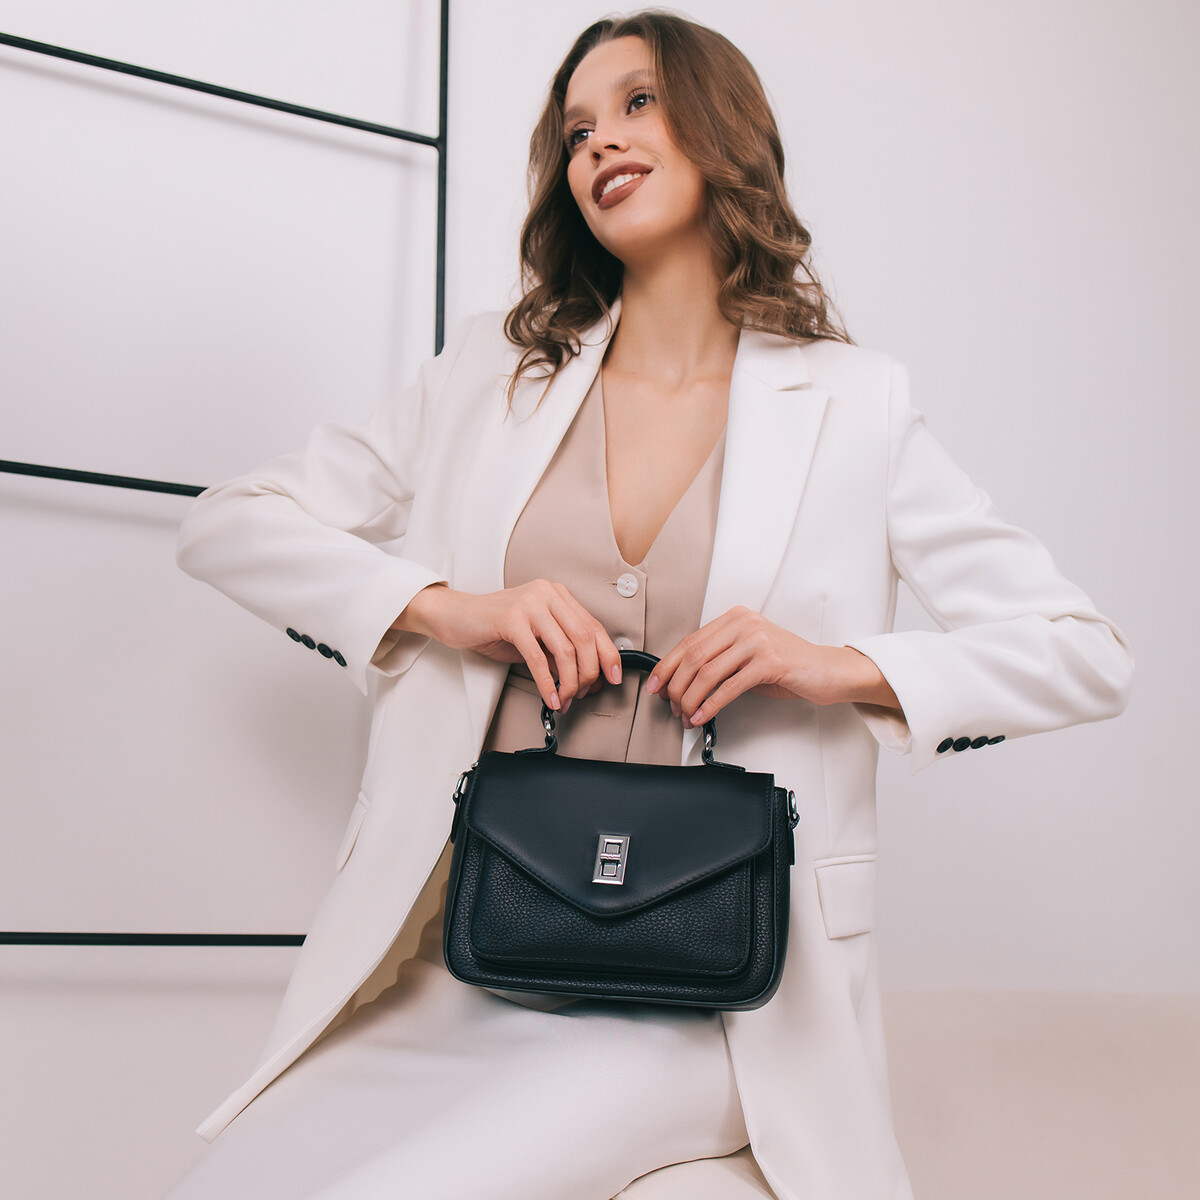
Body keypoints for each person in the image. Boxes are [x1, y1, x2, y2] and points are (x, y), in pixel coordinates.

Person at [161, 11, 1134, 1200]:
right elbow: (230, 521)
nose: (600, 144)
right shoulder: (490, 374)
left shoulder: (857, 406)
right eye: (576, 130)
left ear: (723, 130)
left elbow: (1085, 653)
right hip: (467, 959)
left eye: (637, 103)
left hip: (720, 1002)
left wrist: (839, 667)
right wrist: (447, 608)